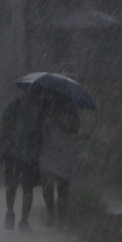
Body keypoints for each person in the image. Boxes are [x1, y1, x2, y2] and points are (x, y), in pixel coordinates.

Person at [0, 87, 42, 231]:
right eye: (30, 90)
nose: (33, 93)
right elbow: (4, 127)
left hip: (31, 154)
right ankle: (10, 212)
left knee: (28, 188)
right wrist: (0, 148)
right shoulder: (14, 106)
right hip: (13, 152)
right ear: (25, 91)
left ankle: (24, 220)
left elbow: (44, 130)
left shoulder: (41, 108)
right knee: (11, 185)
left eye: (35, 91)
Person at [37, 92, 79, 227]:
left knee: (63, 187)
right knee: (47, 184)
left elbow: (75, 128)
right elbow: (40, 129)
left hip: (64, 150)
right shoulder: (44, 108)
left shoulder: (71, 108)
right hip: (48, 150)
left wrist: (59, 121)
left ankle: (61, 220)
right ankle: (51, 215)